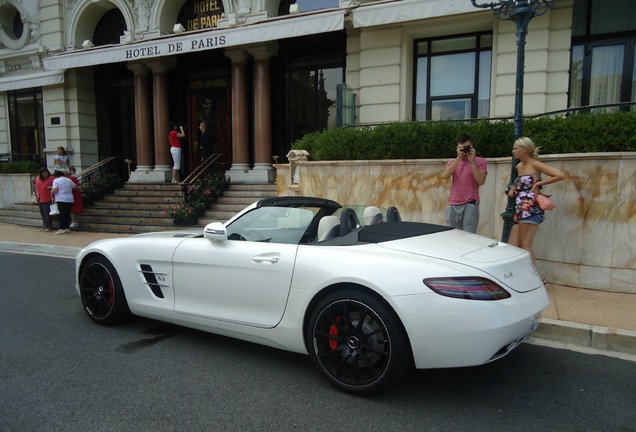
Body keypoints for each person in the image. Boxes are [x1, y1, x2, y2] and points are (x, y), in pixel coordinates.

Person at [507, 137, 565, 269]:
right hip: (520, 209)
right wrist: (513, 188)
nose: (513, 151)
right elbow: (519, 184)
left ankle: (534, 277)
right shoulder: (519, 166)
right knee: (512, 246)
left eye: (516, 148)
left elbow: (559, 175)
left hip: (531, 208)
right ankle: (523, 275)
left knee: (525, 244)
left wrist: (539, 183)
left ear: (524, 150)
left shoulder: (535, 164)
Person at [441, 134, 488, 233]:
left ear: (472, 146)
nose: (464, 151)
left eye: (466, 147)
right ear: (457, 148)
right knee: (451, 236)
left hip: (470, 204)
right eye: (461, 148)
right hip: (453, 204)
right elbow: (445, 175)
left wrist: (472, 162)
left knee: (468, 238)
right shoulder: (452, 162)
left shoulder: (480, 161)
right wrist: (458, 158)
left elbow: (481, 181)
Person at [51, 170, 75, 235]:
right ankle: (67, 227)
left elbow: (55, 190)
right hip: (69, 198)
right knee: (67, 213)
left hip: (60, 198)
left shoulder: (56, 181)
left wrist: (51, 191)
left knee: (61, 214)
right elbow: (74, 187)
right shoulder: (68, 180)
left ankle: (62, 228)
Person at [34, 167, 54, 232]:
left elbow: (56, 186)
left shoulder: (51, 178)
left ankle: (49, 226)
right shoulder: (38, 179)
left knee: (47, 213)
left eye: (46, 172)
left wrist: (51, 187)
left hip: (47, 198)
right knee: (42, 213)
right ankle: (44, 226)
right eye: (43, 173)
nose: (45, 174)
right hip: (39, 197)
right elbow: (36, 186)